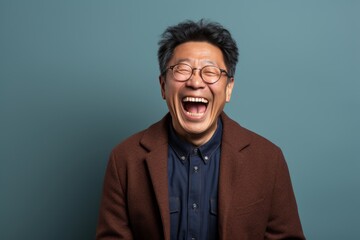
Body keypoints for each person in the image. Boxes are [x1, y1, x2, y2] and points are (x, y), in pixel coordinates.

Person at [96, 19, 305, 240]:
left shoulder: (268, 159)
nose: (195, 82)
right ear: (163, 86)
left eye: (210, 71)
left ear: (229, 88)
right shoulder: (125, 159)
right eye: (182, 69)